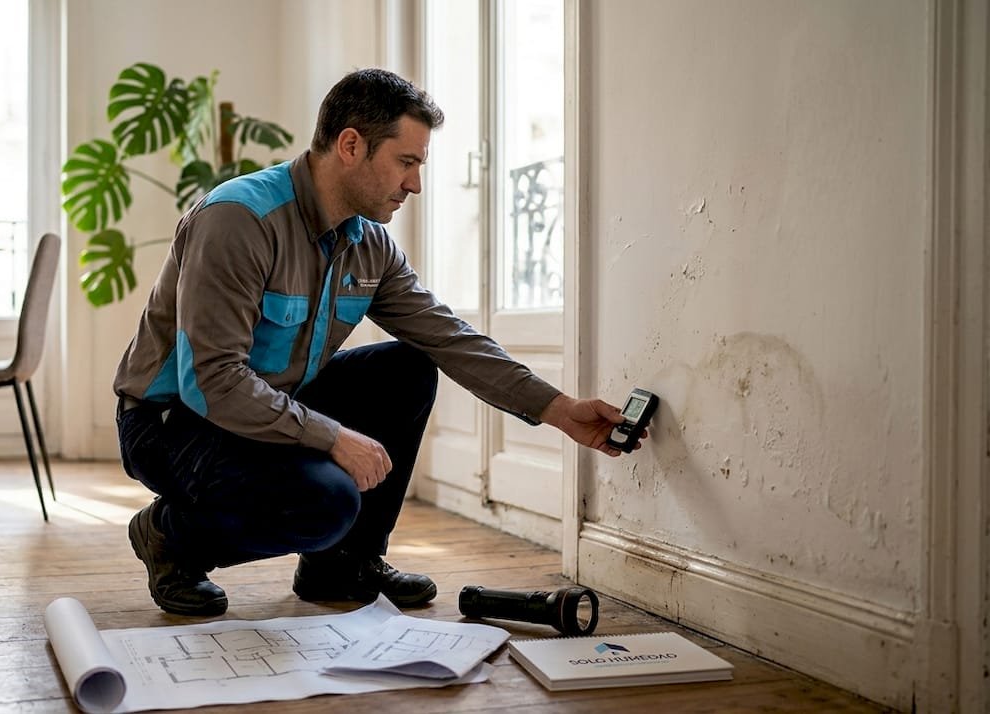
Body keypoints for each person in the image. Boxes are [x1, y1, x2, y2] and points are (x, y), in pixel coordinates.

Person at [114, 68, 644, 617]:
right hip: (173, 422)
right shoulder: (238, 221)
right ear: (351, 146)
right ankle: (170, 538)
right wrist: (330, 437)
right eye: (406, 162)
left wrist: (559, 410)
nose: (414, 184)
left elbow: (449, 338)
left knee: (408, 367)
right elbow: (212, 383)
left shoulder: (371, 247)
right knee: (326, 501)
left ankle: (343, 561)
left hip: (269, 405)